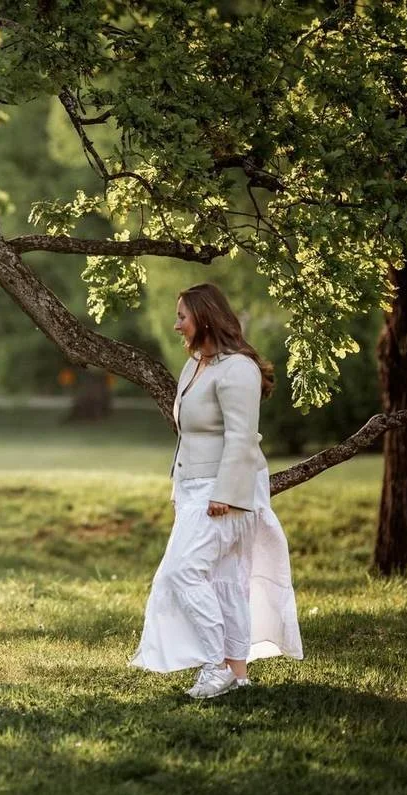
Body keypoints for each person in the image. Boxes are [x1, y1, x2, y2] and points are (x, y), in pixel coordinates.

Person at [131, 283, 303, 698]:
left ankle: (215, 664)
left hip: (226, 491)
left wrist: (224, 492)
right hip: (194, 487)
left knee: (182, 572)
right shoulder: (195, 366)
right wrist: (180, 486)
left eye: (182, 317)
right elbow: (188, 434)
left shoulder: (237, 369)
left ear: (205, 318)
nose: (176, 325)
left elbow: (242, 438)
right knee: (223, 578)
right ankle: (237, 673)